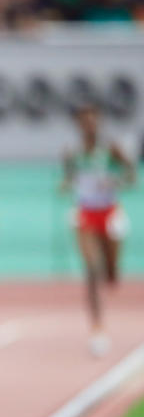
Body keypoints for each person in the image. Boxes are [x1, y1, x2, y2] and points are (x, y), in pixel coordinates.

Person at [61, 103, 136, 356]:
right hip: (86, 215)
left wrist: (115, 180)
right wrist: (66, 184)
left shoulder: (111, 149)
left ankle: (112, 271)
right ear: (79, 125)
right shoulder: (71, 153)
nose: (89, 124)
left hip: (110, 214)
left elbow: (131, 175)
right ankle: (97, 328)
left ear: (99, 122)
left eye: (94, 119)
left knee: (111, 273)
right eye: (84, 120)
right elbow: (68, 178)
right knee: (92, 269)